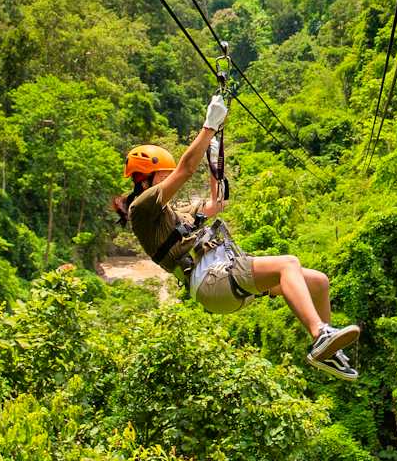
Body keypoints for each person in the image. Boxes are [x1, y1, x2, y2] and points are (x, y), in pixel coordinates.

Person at [113, 93, 360, 380]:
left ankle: (327, 351)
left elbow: (216, 205)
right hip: (212, 278)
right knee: (288, 264)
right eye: (161, 177)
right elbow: (185, 169)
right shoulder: (142, 209)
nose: (166, 182)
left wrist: (214, 158)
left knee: (318, 282)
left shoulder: (173, 214)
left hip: (220, 278)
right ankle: (320, 335)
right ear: (144, 179)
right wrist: (208, 126)